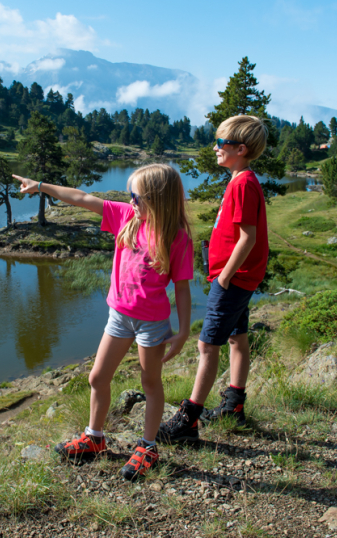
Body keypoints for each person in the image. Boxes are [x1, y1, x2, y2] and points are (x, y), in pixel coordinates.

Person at [13, 164, 193, 480]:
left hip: (152, 324)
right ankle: (94, 438)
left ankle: (148, 447)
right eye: (130, 195)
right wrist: (41, 185)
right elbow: (81, 197)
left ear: (157, 200)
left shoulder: (176, 237)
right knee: (97, 378)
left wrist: (183, 331)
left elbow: (181, 287)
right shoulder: (126, 216)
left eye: (136, 196)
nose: (131, 200)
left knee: (150, 384)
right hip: (119, 317)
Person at [157, 115, 269, 443]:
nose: (215, 148)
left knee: (207, 345)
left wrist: (223, 279)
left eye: (221, 143)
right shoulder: (239, 180)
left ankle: (187, 421)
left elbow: (247, 238)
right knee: (237, 337)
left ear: (241, 149)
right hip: (238, 278)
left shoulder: (244, 183)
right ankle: (234, 405)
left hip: (233, 280)